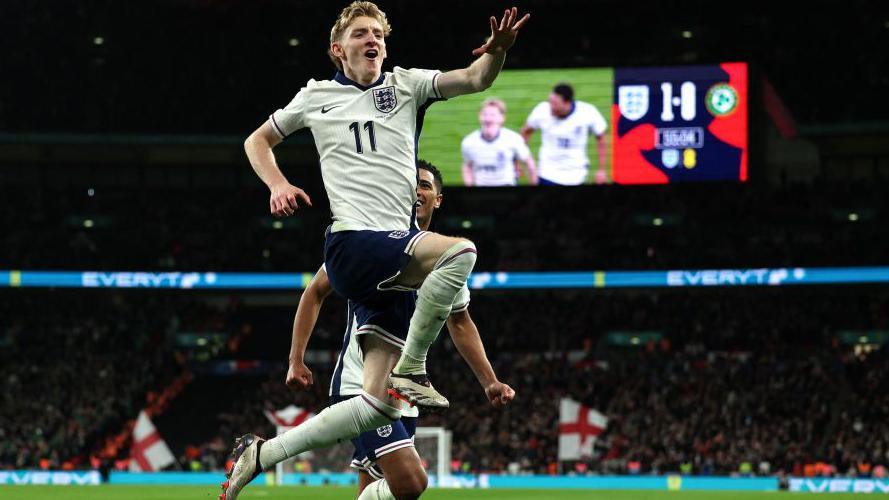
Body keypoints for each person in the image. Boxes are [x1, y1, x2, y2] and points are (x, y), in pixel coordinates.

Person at [224, 3, 529, 499]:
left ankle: (261, 454)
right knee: (461, 252)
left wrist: (498, 53)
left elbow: (475, 79)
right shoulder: (316, 96)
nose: (373, 42)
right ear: (337, 49)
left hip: (395, 266)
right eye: (361, 34)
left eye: (379, 36)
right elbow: (257, 141)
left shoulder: (406, 85)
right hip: (353, 244)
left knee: (379, 407)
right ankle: (414, 368)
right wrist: (277, 183)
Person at [288, 161, 515, 499]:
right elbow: (315, 291)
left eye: (425, 185)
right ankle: (264, 453)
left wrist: (490, 380)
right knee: (410, 483)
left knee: (378, 487)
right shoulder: (373, 244)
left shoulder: (446, 259)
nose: (417, 191)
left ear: (438, 198)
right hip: (361, 384)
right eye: (412, 184)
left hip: (404, 395)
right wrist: (296, 358)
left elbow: (460, 321)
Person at [520, 83, 608, 185]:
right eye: (550, 101)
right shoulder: (542, 110)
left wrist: (601, 169)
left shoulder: (587, 112)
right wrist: (521, 162)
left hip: (576, 175)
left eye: (555, 103)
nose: (550, 107)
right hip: (546, 174)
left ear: (567, 103)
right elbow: (525, 133)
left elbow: (601, 138)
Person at [461, 98, 537, 186]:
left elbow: (529, 164)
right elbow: (467, 166)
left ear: (502, 118)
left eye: (493, 115)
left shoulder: (513, 139)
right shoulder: (469, 142)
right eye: (485, 114)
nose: (488, 119)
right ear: (479, 116)